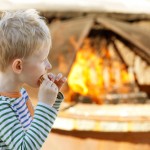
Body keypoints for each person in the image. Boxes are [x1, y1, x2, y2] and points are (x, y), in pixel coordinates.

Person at [0, 9, 67, 150]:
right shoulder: (2, 108)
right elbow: (26, 147)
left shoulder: (21, 94)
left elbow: (35, 133)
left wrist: (51, 102)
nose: (49, 65)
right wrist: (44, 104)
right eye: (43, 60)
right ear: (19, 65)